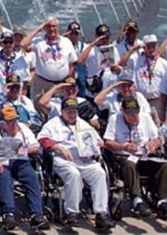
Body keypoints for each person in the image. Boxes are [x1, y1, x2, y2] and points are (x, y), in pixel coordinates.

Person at [37, 98, 116, 229]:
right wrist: (58, 146)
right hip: (63, 158)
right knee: (74, 174)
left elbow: (97, 140)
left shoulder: (83, 124)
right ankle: (72, 212)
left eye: (74, 112)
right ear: (62, 111)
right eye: (68, 112)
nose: (72, 114)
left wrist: (99, 143)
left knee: (100, 173)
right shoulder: (53, 123)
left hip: (84, 159)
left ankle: (101, 214)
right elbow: (42, 138)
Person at [103, 96, 167, 217]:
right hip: (125, 157)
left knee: (165, 166)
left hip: (145, 156)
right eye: (130, 115)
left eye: (135, 114)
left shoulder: (145, 118)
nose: (134, 117)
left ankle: (162, 201)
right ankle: (137, 200)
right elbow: (108, 142)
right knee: (129, 164)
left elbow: (159, 138)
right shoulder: (114, 119)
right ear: (122, 111)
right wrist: (123, 146)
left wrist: (154, 144)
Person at [0, 105, 49, 231]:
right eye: (9, 121)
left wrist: (22, 150)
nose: (12, 123)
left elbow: (35, 146)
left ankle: (37, 215)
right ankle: (8, 214)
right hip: (2, 163)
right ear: (2, 122)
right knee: (5, 178)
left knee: (32, 178)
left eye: (14, 120)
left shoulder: (23, 129)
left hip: (21, 162)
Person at [22, 17, 77, 108]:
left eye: (54, 26)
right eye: (48, 26)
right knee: (40, 108)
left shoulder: (66, 42)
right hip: (43, 83)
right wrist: (39, 28)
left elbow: (72, 64)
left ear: (58, 27)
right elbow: (23, 44)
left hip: (61, 84)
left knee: (62, 108)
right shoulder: (38, 42)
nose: (52, 29)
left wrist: (71, 82)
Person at [121, 34, 167, 121]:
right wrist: (133, 49)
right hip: (141, 100)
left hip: (158, 100)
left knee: (159, 125)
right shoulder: (136, 59)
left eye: (153, 46)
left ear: (157, 46)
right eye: (148, 46)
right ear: (144, 47)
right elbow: (122, 63)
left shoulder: (164, 63)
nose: (151, 49)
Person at [78, 24, 121, 98]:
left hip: (110, 93)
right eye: (102, 38)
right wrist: (93, 43)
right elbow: (80, 61)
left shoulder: (114, 49)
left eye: (106, 37)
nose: (104, 40)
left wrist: (116, 68)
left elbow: (119, 69)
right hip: (95, 91)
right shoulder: (90, 49)